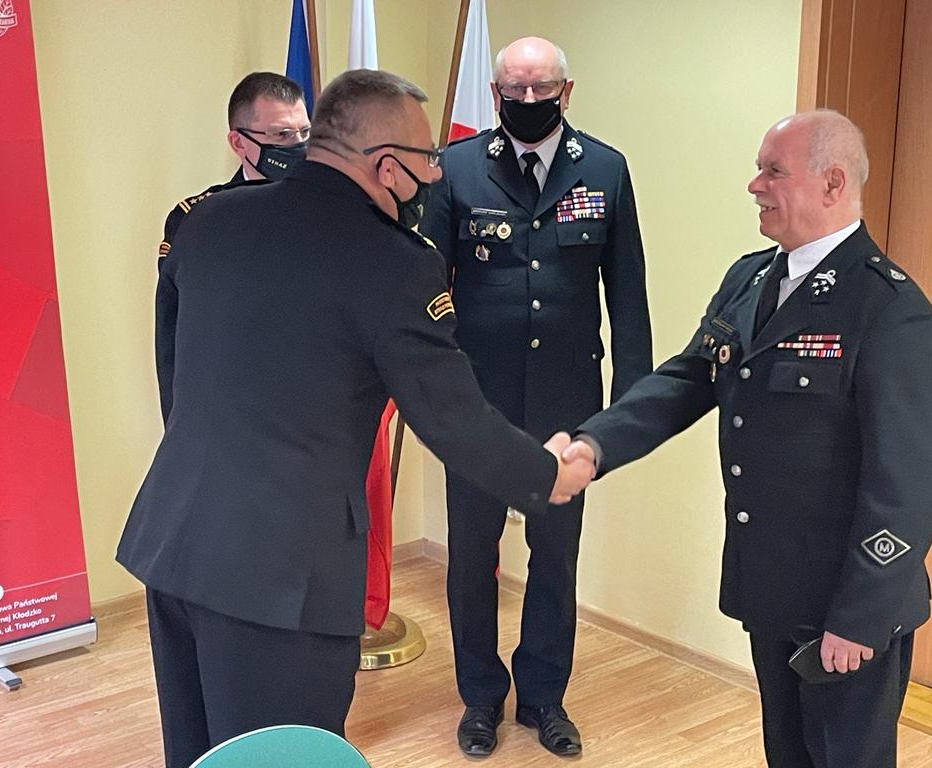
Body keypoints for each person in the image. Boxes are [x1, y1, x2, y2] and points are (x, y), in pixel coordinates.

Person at [117, 68, 595, 768]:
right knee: (283, 759)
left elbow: (174, 369)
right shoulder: (392, 263)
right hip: (283, 578)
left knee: (197, 755)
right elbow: (452, 415)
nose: (437, 174)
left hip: (176, 541)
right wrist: (545, 474)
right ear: (388, 166)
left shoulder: (209, 221)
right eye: (429, 158)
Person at [564, 110, 932, 768]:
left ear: (832, 183)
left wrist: (859, 617)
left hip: (846, 601)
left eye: (773, 171)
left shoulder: (889, 310)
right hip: (772, 585)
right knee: (788, 752)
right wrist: (594, 446)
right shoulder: (750, 279)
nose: (754, 186)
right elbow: (688, 378)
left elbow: (909, 487)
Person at [418, 36, 651, 758]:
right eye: (513, 90)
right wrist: (436, 392)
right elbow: (425, 287)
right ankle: (480, 698)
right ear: (494, 94)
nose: (527, 101)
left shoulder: (605, 169)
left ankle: (544, 697)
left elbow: (628, 295)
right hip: (477, 407)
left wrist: (628, 411)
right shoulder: (456, 168)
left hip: (566, 407)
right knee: (471, 557)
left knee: (555, 557)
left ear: (566, 91)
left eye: (540, 89)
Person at [155, 71, 310, 422]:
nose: (298, 145)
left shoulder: (336, 214)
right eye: (282, 135)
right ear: (239, 143)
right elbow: (176, 336)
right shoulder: (198, 221)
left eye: (304, 132)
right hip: (231, 420)